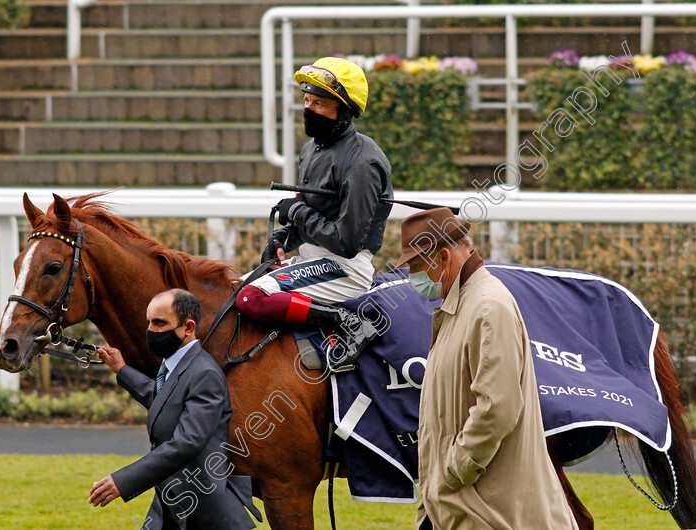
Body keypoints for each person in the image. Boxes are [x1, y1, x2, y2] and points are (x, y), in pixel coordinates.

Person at [397, 208, 578, 529]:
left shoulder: (487, 307)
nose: (413, 278)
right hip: (465, 510)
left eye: (415, 266)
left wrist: (454, 471)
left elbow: (498, 407)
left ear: (442, 257)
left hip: (492, 514)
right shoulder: (461, 306)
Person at [236, 56, 394, 371]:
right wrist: (285, 236)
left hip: (345, 267)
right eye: (307, 101)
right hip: (313, 260)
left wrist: (295, 210)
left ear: (345, 111)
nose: (310, 110)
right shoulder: (312, 148)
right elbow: (311, 212)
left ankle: (349, 322)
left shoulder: (363, 163)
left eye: (320, 104)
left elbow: (346, 242)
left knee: (250, 298)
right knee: (230, 292)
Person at [90, 289, 259, 530]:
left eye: (159, 323)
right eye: (148, 322)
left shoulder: (205, 374)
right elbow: (165, 401)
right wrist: (122, 370)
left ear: (188, 327)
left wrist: (123, 481)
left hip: (203, 510)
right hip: (172, 502)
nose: (151, 331)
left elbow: (186, 442)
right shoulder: (176, 365)